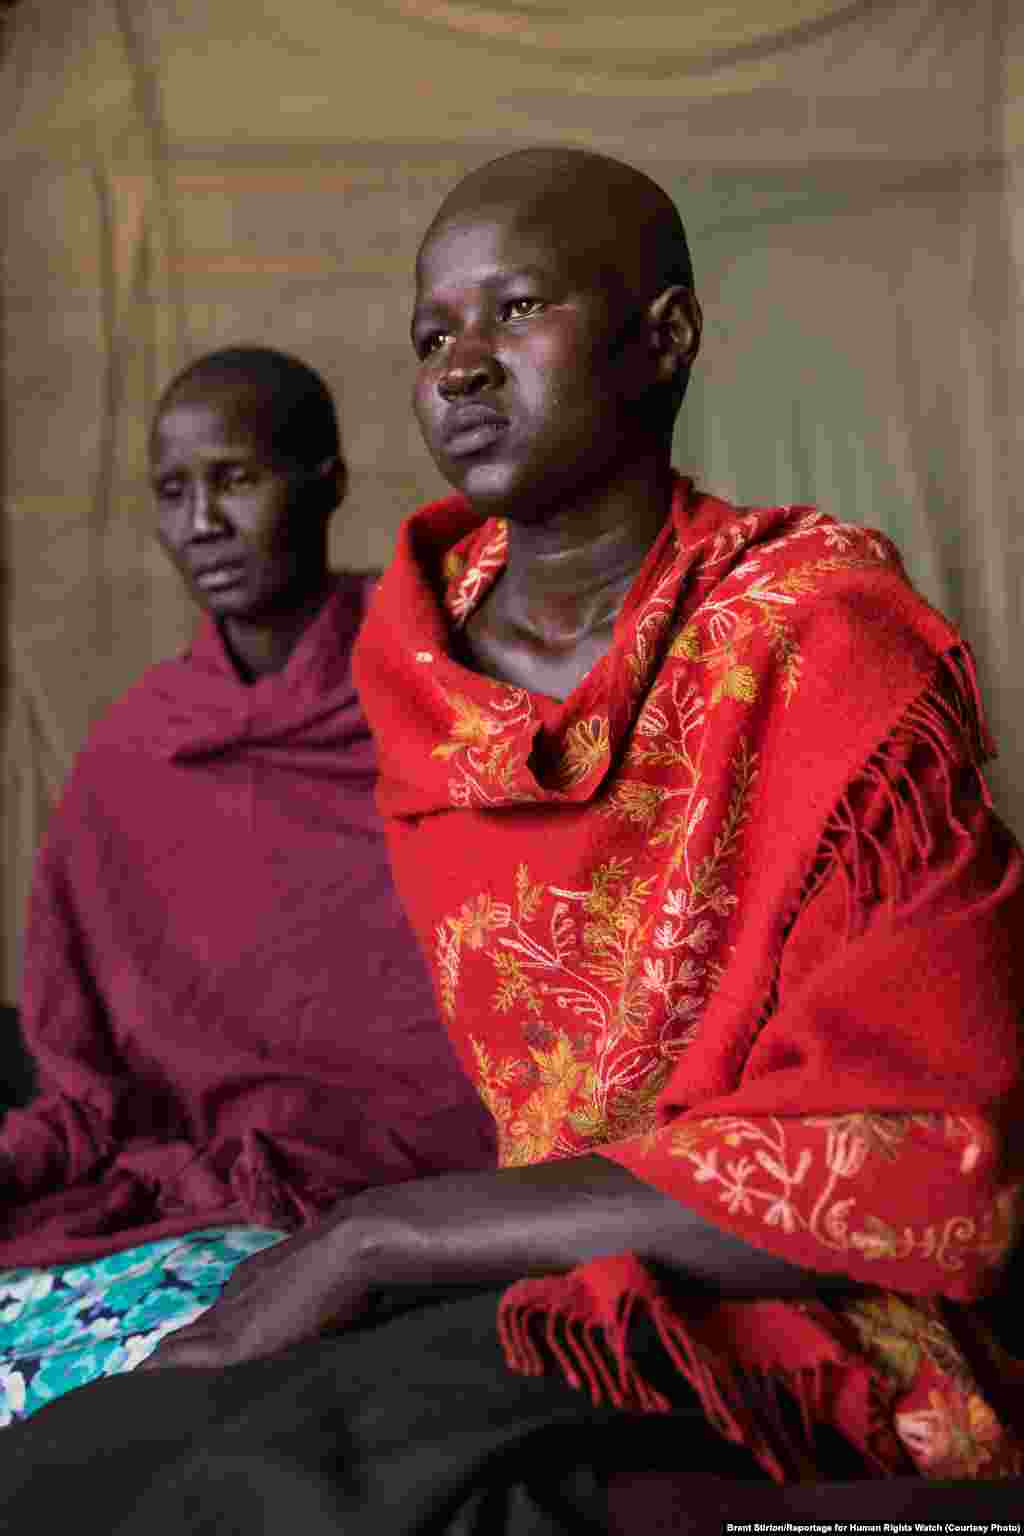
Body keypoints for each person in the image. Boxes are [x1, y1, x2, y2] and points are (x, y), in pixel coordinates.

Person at [0, 155, 1021, 1532]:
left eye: (516, 309)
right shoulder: (417, 666)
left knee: (293, 1495)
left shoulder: (820, 638)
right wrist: (401, 1240)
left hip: (785, 1300)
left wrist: (385, 1232)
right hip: (528, 1265)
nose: (461, 368)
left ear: (663, 340)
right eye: (433, 336)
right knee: (86, 1459)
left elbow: (921, 1153)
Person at [0, 346, 494, 1423]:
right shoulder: (141, 747)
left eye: (237, 479)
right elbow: (83, 1066)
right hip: (207, 1176)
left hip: (434, 1165)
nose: (202, 523)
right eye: (174, 492)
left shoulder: (440, 676)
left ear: (325, 479)